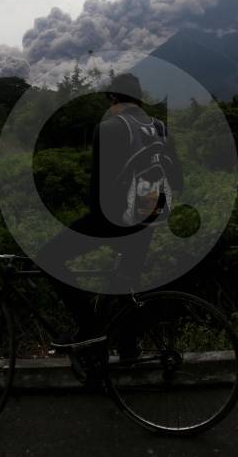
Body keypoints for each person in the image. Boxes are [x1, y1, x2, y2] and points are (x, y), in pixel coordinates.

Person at [36, 73, 183, 349]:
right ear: (139, 100)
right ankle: (128, 348)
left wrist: (101, 223)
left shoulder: (110, 127)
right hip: (151, 217)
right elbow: (178, 182)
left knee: (48, 258)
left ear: (114, 99)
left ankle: (89, 328)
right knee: (125, 283)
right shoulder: (161, 128)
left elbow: (98, 191)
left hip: (115, 219)